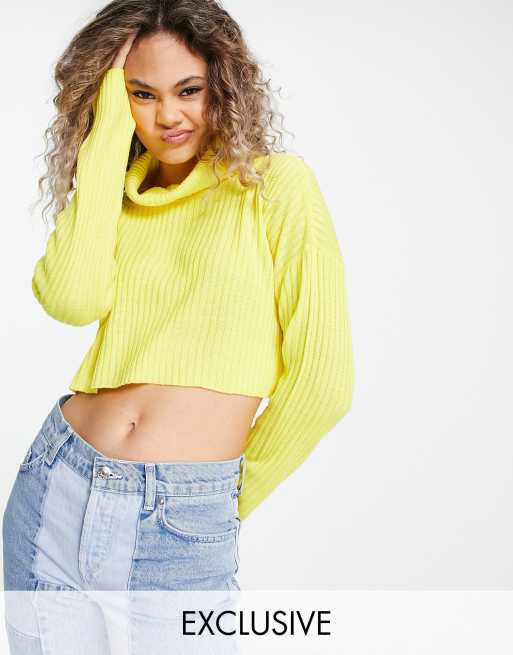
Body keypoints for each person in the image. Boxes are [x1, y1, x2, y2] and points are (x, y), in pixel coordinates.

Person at [2, 0, 354, 651]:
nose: (168, 115)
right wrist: (105, 141)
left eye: (188, 90)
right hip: (57, 488)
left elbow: (323, 384)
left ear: (224, 84)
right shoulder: (114, 199)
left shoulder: (275, 187)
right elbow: (71, 298)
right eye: (142, 94)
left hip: (181, 522)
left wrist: (215, 501)